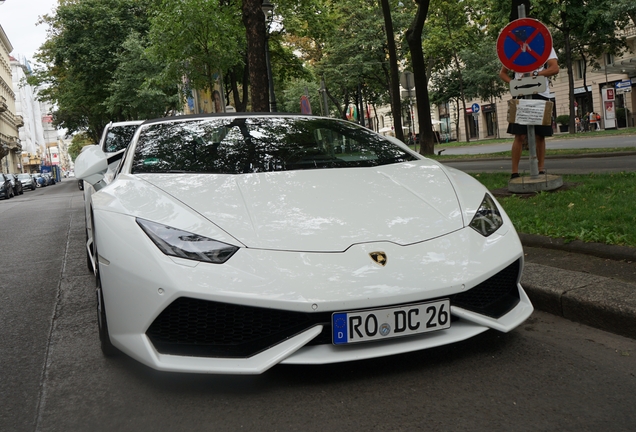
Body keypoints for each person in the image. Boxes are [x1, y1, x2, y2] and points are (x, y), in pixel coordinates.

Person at [499, 47, 559, 179]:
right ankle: (514, 172)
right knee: (519, 136)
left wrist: (536, 75)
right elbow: (503, 73)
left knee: (540, 136)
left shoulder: (544, 45)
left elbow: (555, 68)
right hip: (520, 95)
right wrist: (514, 84)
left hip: (541, 93)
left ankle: (541, 170)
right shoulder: (513, 48)